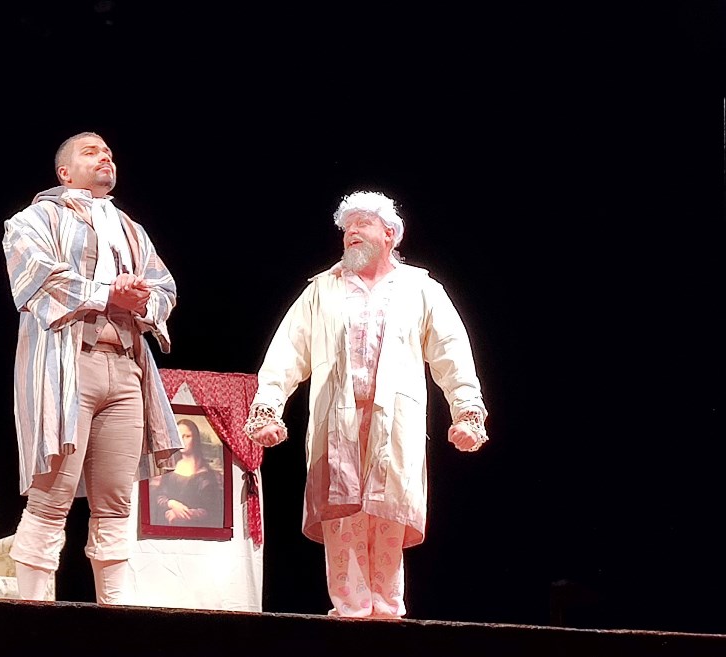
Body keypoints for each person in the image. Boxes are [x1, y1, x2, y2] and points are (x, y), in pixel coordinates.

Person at [244, 190, 489, 619]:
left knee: (387, 513)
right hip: (337, 421)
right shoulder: (322, 289)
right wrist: (268, 408)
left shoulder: (420, 289)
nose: (351, 233)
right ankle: (350, 617)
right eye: (346, 227)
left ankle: (387, 617)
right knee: (343, 517)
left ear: (390, 234)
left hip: (394, 422)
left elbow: (452, 353)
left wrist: (466, 411)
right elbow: (287, 352)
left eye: (362, 224)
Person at [1, 131, 181, 605]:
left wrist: (141, 301)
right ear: (64, 172)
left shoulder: (131, 229)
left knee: (117, 501)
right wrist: (108, 295)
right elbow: (38, 280)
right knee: (51, 495)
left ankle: (116, 616)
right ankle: (31, 613)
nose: (105, 157)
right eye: (92, 152)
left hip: (125, 369)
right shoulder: (33, 220)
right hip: (68, 367)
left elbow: (164, 287)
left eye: (109, 153)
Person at [150, 418, 224, 527]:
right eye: (179, 436)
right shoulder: (169, 469)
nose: (182, 440)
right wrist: (172, 504)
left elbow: (212, 510)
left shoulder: (207, 475)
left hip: (196, 528)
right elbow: (158, 497)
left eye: (187, 436)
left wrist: (184, 514)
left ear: (195, 439)